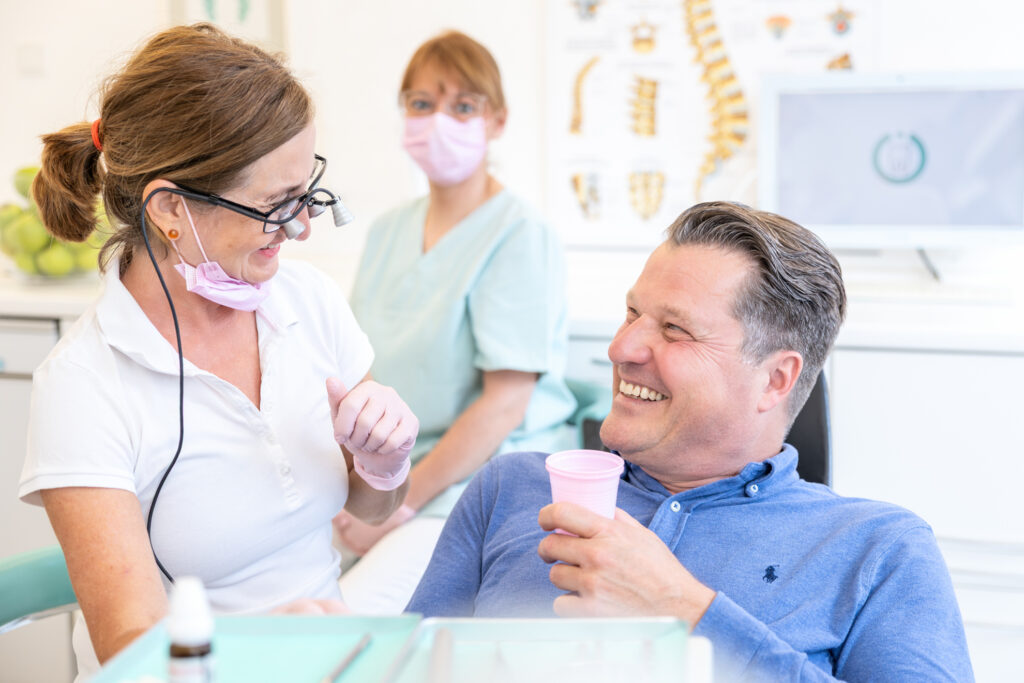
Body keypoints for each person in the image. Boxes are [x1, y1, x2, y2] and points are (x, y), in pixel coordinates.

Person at [407, 202, 974, 681]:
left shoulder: (880, 550)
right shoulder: (510, 488)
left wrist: (686, 613)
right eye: (632, 312)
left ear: (774, 379)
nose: (622, 348)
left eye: (675, 329)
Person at [18, 24, 417, 678]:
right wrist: (264, 643)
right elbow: (130, 640)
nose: (301, 226)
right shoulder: (86, 385)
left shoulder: (306, 300)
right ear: (171, 209)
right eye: (275, 205)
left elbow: (369, 506)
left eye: (306, 192)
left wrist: (383, 464)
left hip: (329, 659)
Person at [333, 30, 576, 613]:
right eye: (421, 103)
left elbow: (503, 406)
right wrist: (357, 494)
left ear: (496, 121)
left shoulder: (519, 234)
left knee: (345, 623)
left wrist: (400, 503)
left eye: (463, 105)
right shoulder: (388, 230)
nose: (439, 120)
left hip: (475, 491)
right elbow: (355, 372)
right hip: (380, 480)